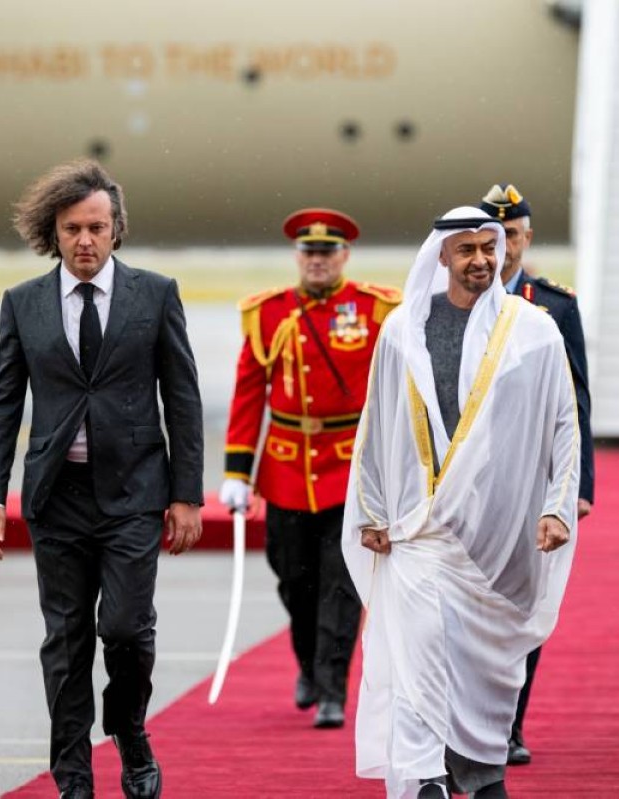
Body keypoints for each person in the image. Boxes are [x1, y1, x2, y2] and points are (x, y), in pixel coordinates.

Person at [0, 160, 204, 799]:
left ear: (116, 229)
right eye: (72, 228)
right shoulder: (23, 304)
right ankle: (73, 777)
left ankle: (128, 729)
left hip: (134, 494)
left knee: (126, 629)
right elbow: (2, 405)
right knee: (67, 643)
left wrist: (187, 495)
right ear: (54, 231)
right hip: (58, 498)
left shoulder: (155, 295)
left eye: (96, 228)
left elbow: (182, 399)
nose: (84, 240)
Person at [342, 207, 579, 799]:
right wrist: (371, 511)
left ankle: (482, 773)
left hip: (498, 532)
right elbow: (376, 424)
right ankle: (426, 777)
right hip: (417, 528)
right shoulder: (402, 328)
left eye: (488, 248)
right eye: (467, 249)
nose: (480, 260)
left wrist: (558, 506)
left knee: (484, 668)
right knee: (418, 652)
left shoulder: (534, 329)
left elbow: (563, 423)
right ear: (442, 255)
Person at [218, 208, 401, 729]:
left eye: (327, 252)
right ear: (298, 257)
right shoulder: (269, 313)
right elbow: (249, 393)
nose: (317, 261)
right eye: (309, 252)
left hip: (349, 466)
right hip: (286, 467)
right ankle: (308, 662)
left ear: (344, 255)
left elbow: (394, 389)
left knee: (341, 582)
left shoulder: (375, 309)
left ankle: (331, 688)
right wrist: (237, 472)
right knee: (293, 578)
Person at [478, 182, 593, 766]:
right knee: (467, 604)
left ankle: (509, 725)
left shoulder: (555, 307)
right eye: (492, 237)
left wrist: (578, 487)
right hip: (467, 482)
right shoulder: (449, 301)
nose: (502, 247)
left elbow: (576, 403)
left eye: (512, 235)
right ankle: (468, 722)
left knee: (523, 605)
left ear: (526, 239)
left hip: (531, 482)